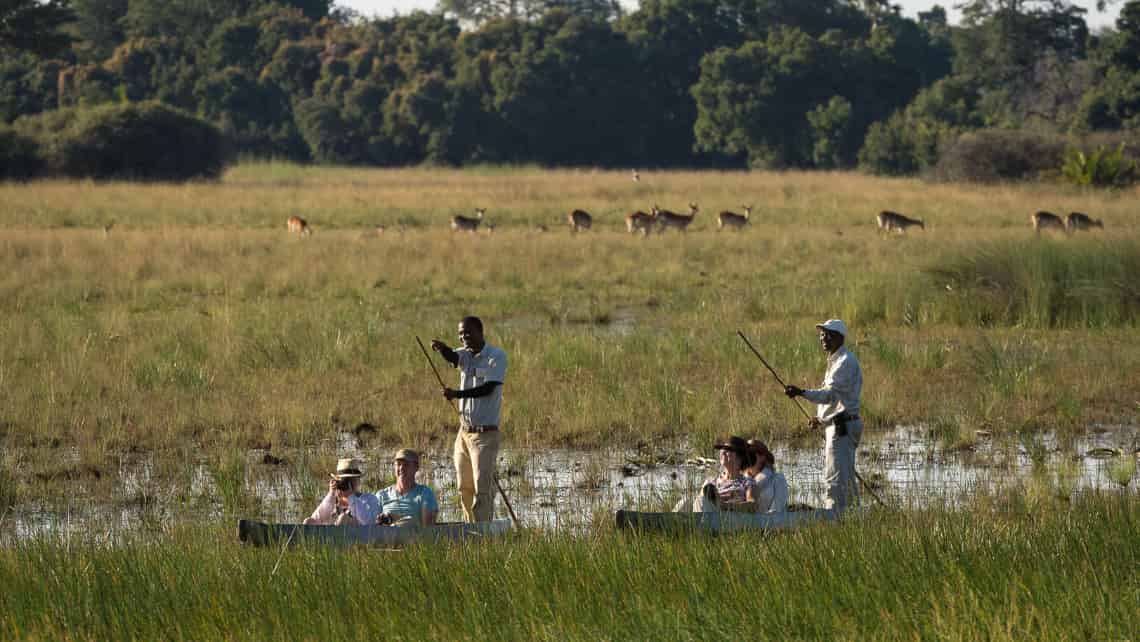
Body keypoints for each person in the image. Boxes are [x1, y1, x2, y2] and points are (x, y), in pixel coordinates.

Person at [430, 316, 508, 523]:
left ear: (480, 332)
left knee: (482, 489)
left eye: (467, 332)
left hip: (485, 436)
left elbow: (488, 388)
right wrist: (443, 348)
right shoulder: (464, 355)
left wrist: (457, 394)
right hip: (464, 434)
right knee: (464, 486)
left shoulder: (495, 357)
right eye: (460, 334)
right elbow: (453, 358)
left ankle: (483, 532)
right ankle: (469, 527)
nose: (464, 337)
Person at [784, 318, 864, 512]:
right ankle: (854, 516)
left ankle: (835, 517)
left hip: (842, 428)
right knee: (844, 476)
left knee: (835, 479)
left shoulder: (844, 362)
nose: (823, 338)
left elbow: (829, 395)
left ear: (839, 337)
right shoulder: (836, 360)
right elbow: (837, 398)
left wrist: (801, 392)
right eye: (821, 334)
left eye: (828, 334)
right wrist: (820, 419)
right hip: (838, 424)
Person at [687, 436, 759, 513]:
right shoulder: (711, 481)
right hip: (707, 514)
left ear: (739, 459)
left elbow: (752, 504)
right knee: (687, 501)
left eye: (728, 450)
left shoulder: (746, 482)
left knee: (700, 501)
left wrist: (724, 505)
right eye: (722, 449)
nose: (723, 451)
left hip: (730, 518)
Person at [303, 457, 381, 526]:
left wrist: (351, 497)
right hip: (328, 538)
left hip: (356, 538)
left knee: (343, 518)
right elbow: (316, 518)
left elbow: (368, 522)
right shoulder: (333, 499)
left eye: (352, 480)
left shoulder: (369, 498)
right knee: (308, 521)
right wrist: (331, 494)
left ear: (358, 480)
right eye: (343, 481)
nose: (347, 484)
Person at [374, 449, 439, 527]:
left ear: (416, 467)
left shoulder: (425, 493)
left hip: (415, 538)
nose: (401, 468)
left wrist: (396, 519)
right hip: (386, 538)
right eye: (398, 464)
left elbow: (428, 530)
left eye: (406, 464)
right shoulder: (382, 495)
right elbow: (372, 529)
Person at [744, 439, 789, 513]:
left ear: (763, 457)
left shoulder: (777, 479)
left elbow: (777, 510)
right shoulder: (741, 479)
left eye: (751, 453)